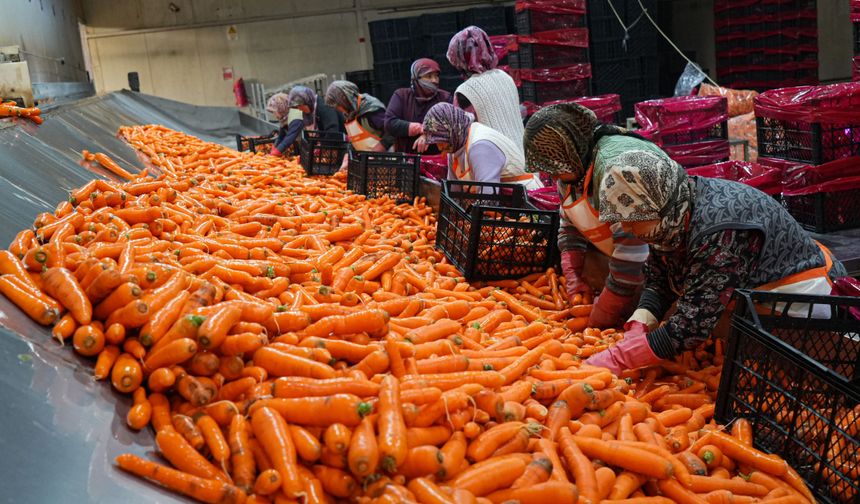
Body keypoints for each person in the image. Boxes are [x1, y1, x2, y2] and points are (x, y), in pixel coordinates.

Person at [585, 152, 847, 374]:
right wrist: (643, 317)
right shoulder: (672, 213)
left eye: (632, 220)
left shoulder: (721, 232)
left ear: (660, 207)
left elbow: (691, 325)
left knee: (801, 372)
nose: (626, 228)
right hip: (755, 300)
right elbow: (659, 276)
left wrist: (619, 359)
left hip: (800, 300)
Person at [523, 103, 650, 328]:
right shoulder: (572, 170)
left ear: (570, 150)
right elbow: (570, 224)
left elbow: (632, 251)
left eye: (554, 167)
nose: (553, 176)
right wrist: (573, 273)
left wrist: (607, 308)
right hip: (631, 270)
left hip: (666, 267)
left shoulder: (615, 171)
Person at [422, 102, 541, 190]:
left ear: (452, 131)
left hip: (525, 200)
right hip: (503, 202)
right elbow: (454, 191)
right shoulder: (455, 146)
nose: (439, 147)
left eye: (441, 141)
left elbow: (488, 198)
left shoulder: (480, 146)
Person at [447, 26, 524, 148]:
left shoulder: (465, 91)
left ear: (459, 57)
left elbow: (461, 137)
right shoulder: (505, 77)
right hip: (521, 152)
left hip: (495, 157)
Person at [384, 58, 452, 154]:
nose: (434, 80)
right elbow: (390, 123)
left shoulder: (445, 98)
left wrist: (429, 135)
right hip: (407, 158)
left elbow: (453, 125)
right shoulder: (401, 95)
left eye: (436, 76)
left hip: (438, 158)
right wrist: (419, 128)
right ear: (416, 78)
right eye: (429, 76)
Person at [265, 86, 343, 157]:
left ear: (306, 101)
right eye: (297, 106)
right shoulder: (308, 112)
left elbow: (332, 131)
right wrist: (275, 147)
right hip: (327, 148)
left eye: (300, 105)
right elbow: (282, 135)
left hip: (340, 145)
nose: (299, 109)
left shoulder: (323, 108)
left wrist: (320, 148)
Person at [324, 80, 394, 152]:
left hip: (386, 155)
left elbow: (392, 131)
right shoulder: (350, 114)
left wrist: (381, 147)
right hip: (367, 157)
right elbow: (355, 141)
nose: (338, 109)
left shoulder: (371, 109)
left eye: (338, 105)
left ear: (344, 99)